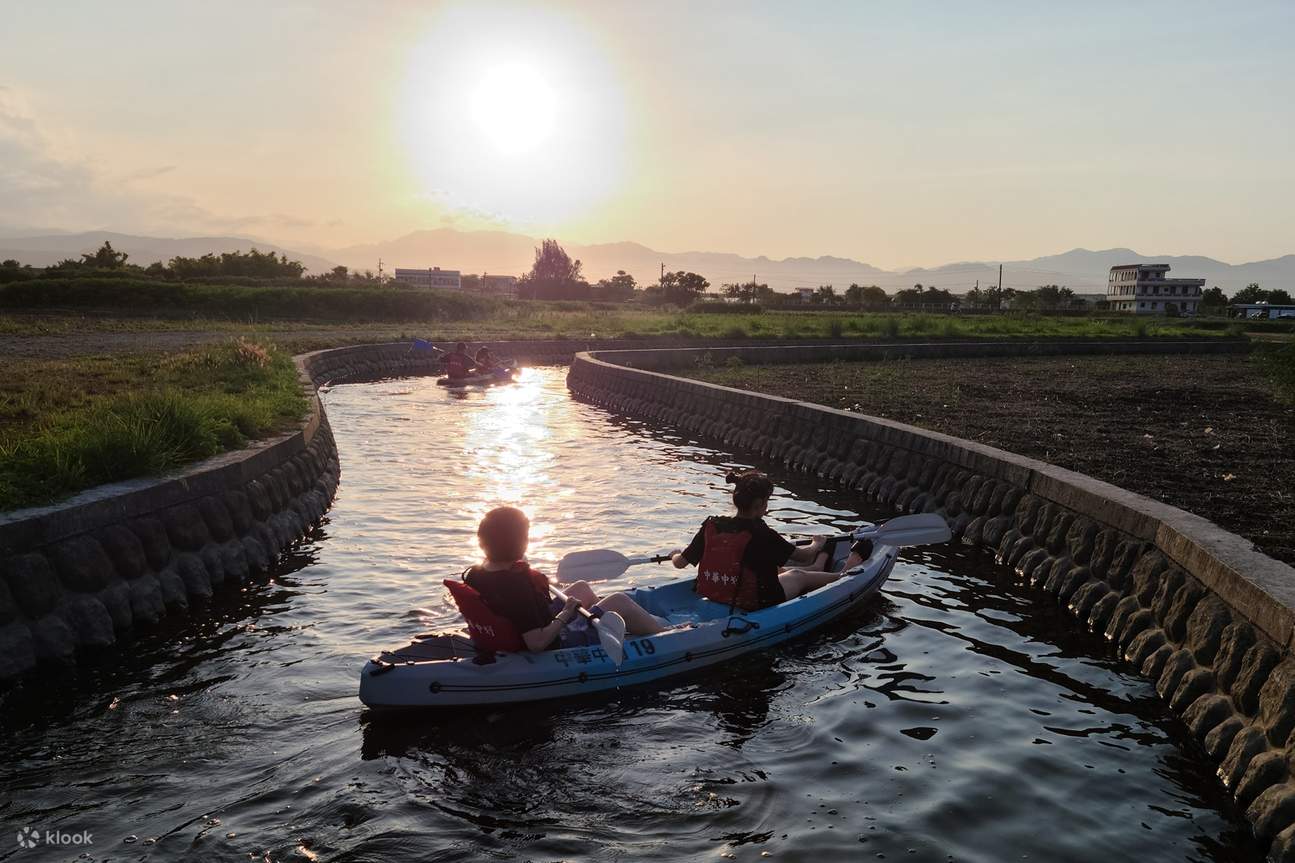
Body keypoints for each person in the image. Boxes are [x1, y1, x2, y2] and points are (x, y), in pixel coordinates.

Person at [461, 507, 666, 652]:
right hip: (554, 641)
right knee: (620, 601)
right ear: (520, 543)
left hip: (521, 627)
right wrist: (567, 613)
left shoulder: (476, 572)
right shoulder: (516, 587)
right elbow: (536, 643)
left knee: (581, 588)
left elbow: (515, 608)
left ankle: (599, 626)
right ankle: (668, 635)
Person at [670, 470, 844, 610]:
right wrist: (817, 544)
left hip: (718, 593)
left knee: (778, 569)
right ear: (760, 503)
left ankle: (819, 567)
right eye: (767, 501)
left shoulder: (711, 525)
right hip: (758, 600)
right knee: (798, 575)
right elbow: (803, 556)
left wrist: (675, 554)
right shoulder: (762, 533)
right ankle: (842, 577)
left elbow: (679, 563)